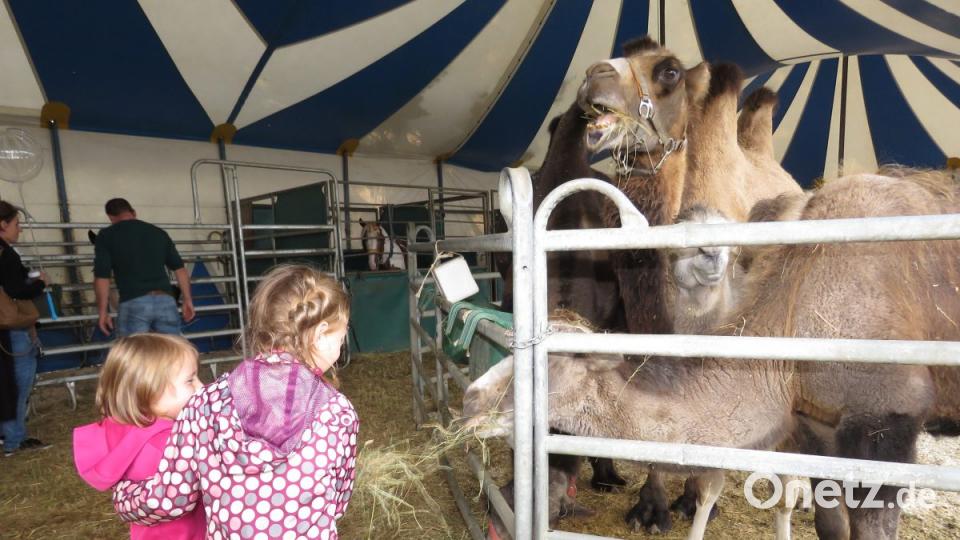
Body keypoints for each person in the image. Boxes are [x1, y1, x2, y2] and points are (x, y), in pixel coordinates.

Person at [113, 265, 358, 538]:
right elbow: (337, 503)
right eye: (341, 336)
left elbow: (171, 498)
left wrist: (124, 498)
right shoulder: (337, 413)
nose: (341, 346)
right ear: (319, 333)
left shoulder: (204, 404)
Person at [72, 334, 205, 539]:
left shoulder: (125, 431)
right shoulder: (168, 442)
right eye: (190, 380)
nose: (201, 386)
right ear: (151, 390)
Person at [93, 198, 195, 337]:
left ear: (110, 217)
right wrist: (188, 300)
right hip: (165, 300)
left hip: (133, 301)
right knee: (171, 352)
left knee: (134, 354)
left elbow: (102, 278)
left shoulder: (106, 236)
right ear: (133, 212)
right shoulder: (158, 233)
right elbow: (180, 269)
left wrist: (103, 312)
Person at [0, 201, 51, 457]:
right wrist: (39, 284)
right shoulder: (6, 254)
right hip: (11, 328)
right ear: (3, 225)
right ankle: (14, 440)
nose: (18, 230)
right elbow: (16, 291)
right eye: (16, 224)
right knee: (17, 384)